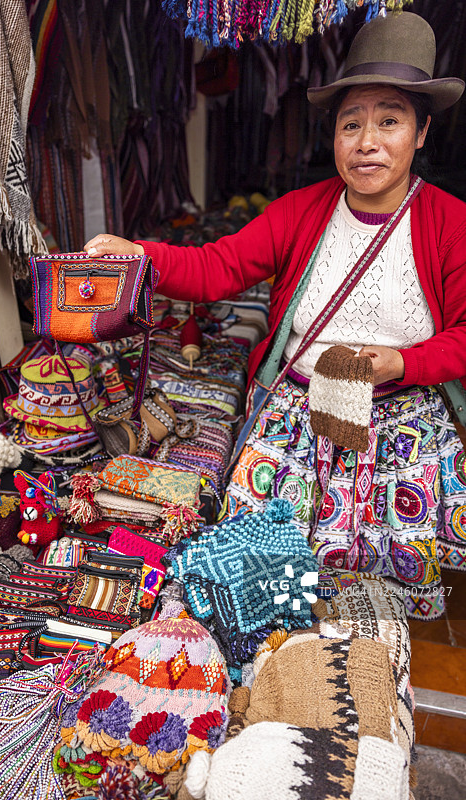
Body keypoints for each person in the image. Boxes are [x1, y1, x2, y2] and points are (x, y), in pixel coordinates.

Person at [84, 13, 466, 621]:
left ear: (421, 132)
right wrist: (142, 256)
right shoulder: (300, 210)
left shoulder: (450, 223)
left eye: (389, 121)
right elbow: (218, 267)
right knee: (264, 582)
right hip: (297, 422)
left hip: (398, 435)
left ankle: (359, 670)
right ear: (333, 135)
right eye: (351, 123)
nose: (366, 142)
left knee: (367, 602)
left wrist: (402, 362)